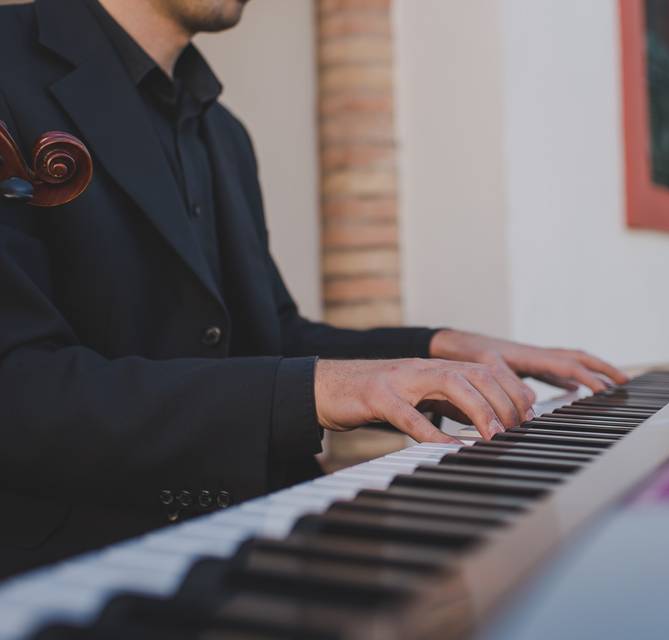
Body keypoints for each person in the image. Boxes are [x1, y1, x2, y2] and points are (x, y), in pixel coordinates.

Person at [0, 0, 626, 577]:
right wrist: (322, 388)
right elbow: (19, 390)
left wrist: (439, 348)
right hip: (68, 575)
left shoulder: (225, 135)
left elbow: (272, 334)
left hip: (237, 546)